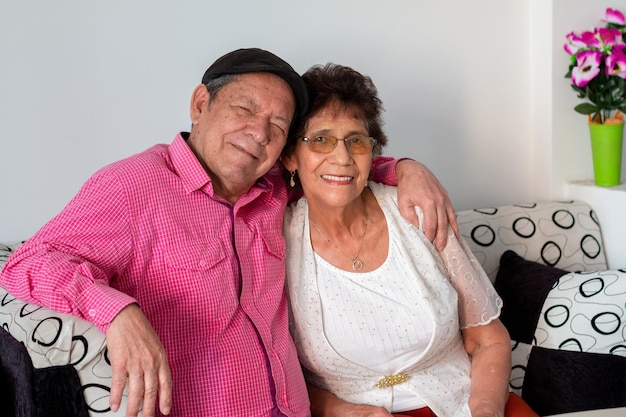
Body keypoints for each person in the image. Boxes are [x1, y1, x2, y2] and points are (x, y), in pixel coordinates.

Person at [0, 49, 457, 417]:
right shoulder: (134, 186)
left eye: (278, 126)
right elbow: (28, 262)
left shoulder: (276, 189)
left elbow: (334, 167)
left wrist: (405, 168)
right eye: (245, 109)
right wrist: (120, 314)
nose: (258, 132)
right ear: (201, 105)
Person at [282, 64, 538, 417]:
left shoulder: (416, 211)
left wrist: (485, 409)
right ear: (290, 156)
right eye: (321, 139)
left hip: (467, 402)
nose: (341, 158)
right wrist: (345, 411)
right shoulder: (272, 240)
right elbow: (276, 372)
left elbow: (487, 339)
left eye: (356, 141)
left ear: (373, 154)